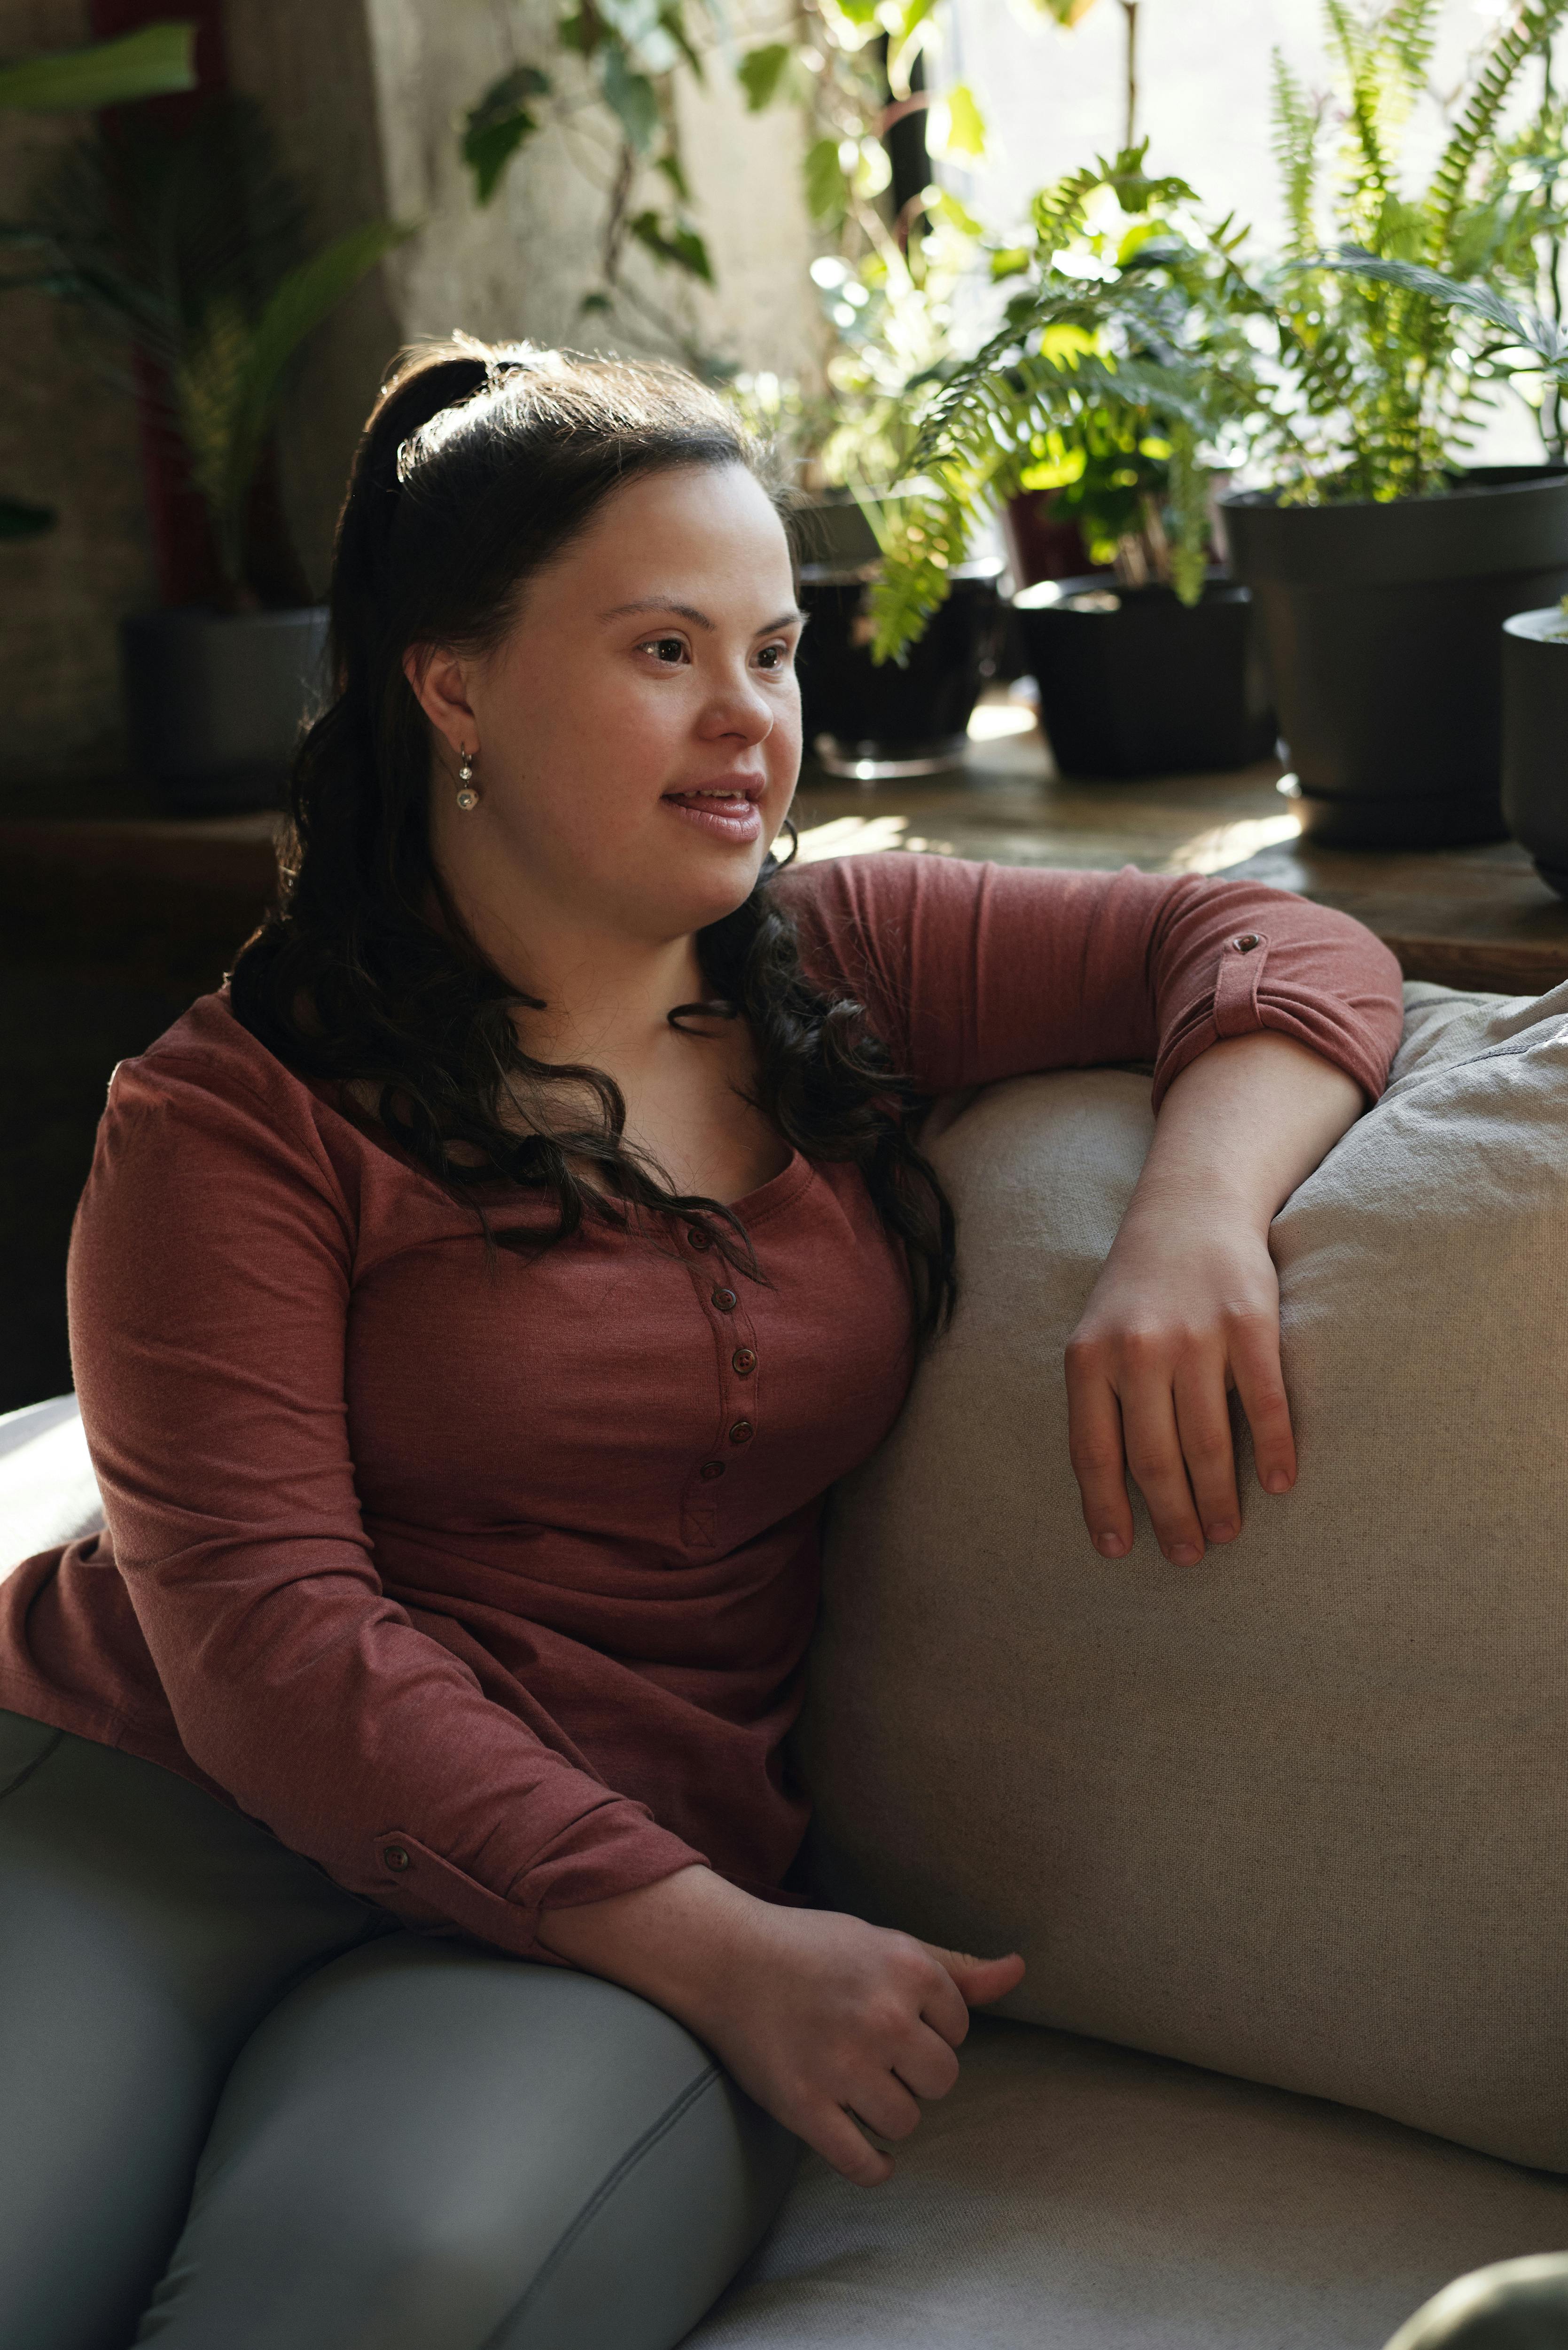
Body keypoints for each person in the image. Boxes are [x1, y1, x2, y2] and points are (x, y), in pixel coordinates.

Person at [0, 337, 1404, 2350]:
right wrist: (734, 1948)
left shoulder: (843, 956)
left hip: (597, 1906)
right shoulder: (224, 1118)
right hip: (150, 1801)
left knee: (379, 2281)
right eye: (665, 649)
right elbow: (270, 1644)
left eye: (774, 650)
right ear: (450, 679)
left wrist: (1192, 1218)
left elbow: (1274, 940)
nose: (748, 719)